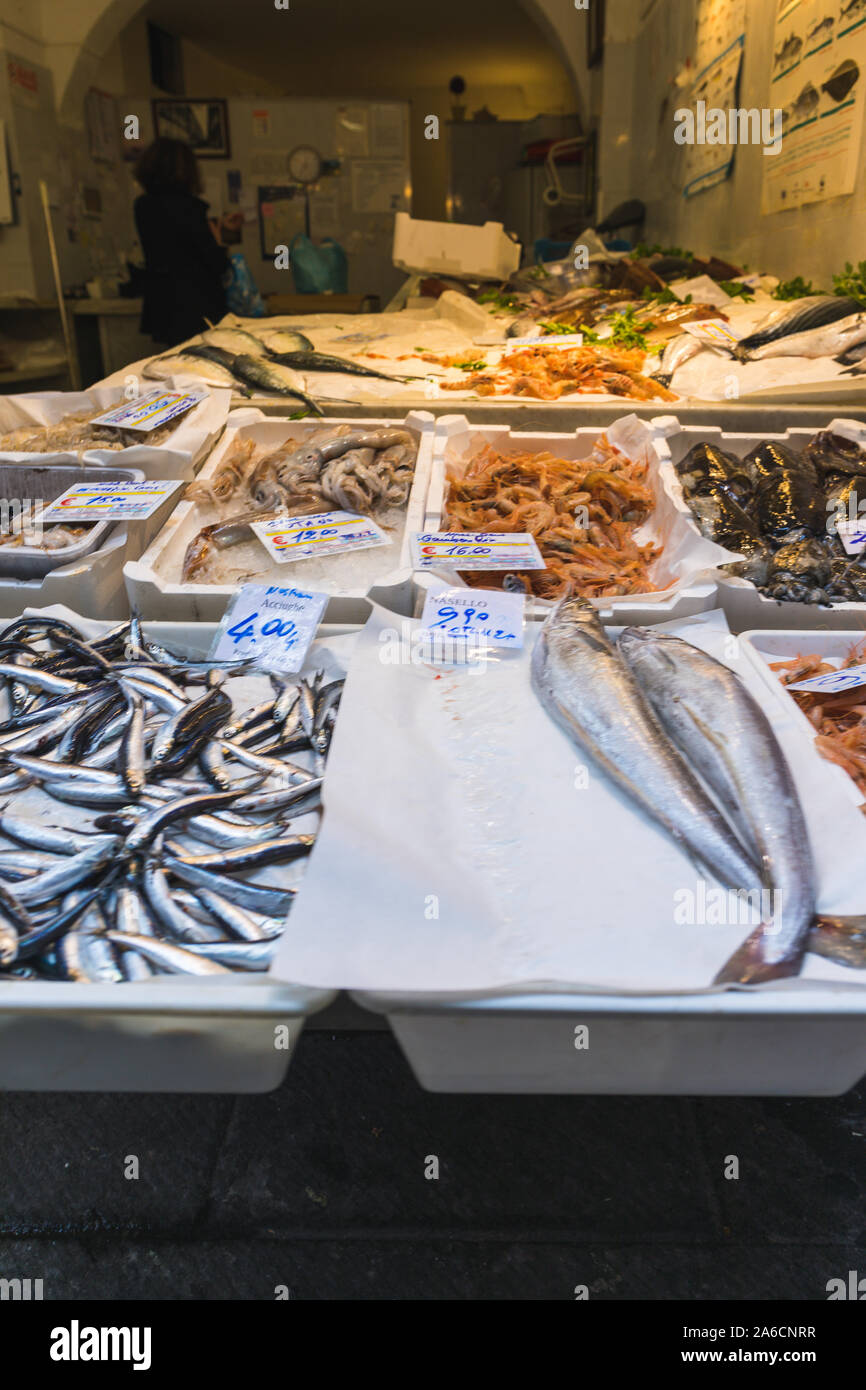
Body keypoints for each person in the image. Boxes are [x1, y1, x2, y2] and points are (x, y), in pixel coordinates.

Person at [133, 138, 241, 347]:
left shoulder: (143, 206)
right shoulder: (190, 208)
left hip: (163, 305)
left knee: (176, 364)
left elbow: (171, 244)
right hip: (196, 307)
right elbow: (215, 263)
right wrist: (218, 239)